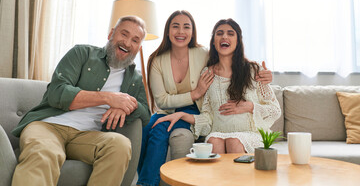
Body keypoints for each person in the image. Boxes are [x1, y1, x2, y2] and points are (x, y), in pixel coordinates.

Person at [136, 11, 273, 186]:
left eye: (186, 27)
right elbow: (162, 101)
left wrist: (266, 76)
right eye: (175, 26)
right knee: (148, 128)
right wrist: (195, 94)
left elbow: (232, 58)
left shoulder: (203, 54)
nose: (181, 31)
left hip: (194, 109)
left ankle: (146, 183)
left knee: (160, 131)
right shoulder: (157, 60)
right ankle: (146, 181)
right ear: (167, 31)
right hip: (167, 110)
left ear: (193, 32)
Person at [11, 16, 151, 186]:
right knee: (43, 152)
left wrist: (126, 105)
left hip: (88, 136)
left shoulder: (134, 79)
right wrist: (108, 98)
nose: (128, 43)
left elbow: (145, 114)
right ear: (111, 34)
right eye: (124, 34)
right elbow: (57, 92)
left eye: (135, 40)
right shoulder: (82, 53)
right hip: (48, 125)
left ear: (138, 48)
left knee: (120, 145)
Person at [153, 18, 281, 154]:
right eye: (219, 33)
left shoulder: (254, 70)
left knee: (234, 141)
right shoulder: (207, 74)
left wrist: (249, 106)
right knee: (213, 141)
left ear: (238, 41)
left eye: (230, 33)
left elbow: (275, 110)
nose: (224, 36)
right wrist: (181, 115)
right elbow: (208, 118)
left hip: (249, 134)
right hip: (219, 133)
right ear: (214, 41)